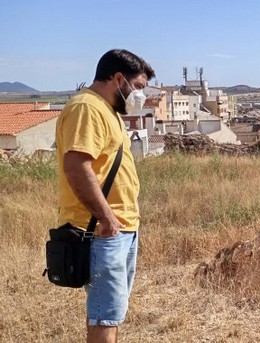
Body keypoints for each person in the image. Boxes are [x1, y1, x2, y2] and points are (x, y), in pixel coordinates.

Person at [56, 49, 154, 343]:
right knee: (104, 315)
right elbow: (76, 166)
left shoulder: (106, 110)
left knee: (109, 312)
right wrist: (107, 217)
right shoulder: (87, 108)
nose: (140, 96)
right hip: (101, 230)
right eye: (137, 87)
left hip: (118, 228)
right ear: (118, 78)